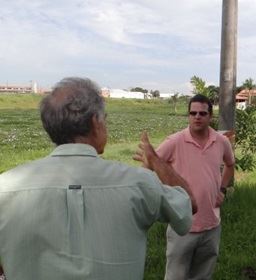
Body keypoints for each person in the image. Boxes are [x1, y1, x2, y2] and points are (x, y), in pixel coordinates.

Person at [0, 77, 197, 280]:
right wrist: (156, 162)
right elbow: (189, 205)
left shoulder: (4, 188)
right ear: (96, 122)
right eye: (105, 119)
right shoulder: (139, 183)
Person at [159, 94, 235, 279]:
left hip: (212, 225)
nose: (197, 117)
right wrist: (167, 192)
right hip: (182, 226)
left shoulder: (221, 141)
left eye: (202, 113)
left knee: (202, 275)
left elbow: (230, 165)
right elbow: (151, 164)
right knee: (176, 276)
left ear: (210, 116)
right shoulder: (175, 141)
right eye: (193, 113)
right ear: (188, 116)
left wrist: (222, 189)